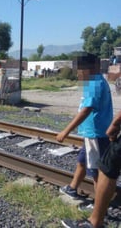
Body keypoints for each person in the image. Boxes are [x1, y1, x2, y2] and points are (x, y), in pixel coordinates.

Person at [56, 53, 113, 218]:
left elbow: (87, 109)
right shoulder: (97, 80)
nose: (79, 74)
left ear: (90, 68)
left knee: (97, 172)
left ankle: (99, 208)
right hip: (93, 133)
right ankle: (73, 188)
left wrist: (65, 131)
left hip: (95, 134)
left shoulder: (94, 83)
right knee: (83, 160)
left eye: (80, 70)